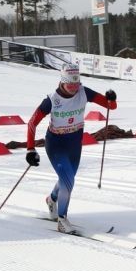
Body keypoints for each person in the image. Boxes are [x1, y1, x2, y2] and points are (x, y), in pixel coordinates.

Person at [26, 62, 117, 234]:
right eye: (70, 84)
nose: (74, 87)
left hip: (74, 144)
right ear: (62, 81)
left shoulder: (84, 92)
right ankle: (62, 219)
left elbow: (111, 106)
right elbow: (32, 123)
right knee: (68, 181)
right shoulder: (52, 100)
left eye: (77, 83)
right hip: (56, 145)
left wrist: (111, 98)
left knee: (66, 179)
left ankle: (51, 199)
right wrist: (30, 149)